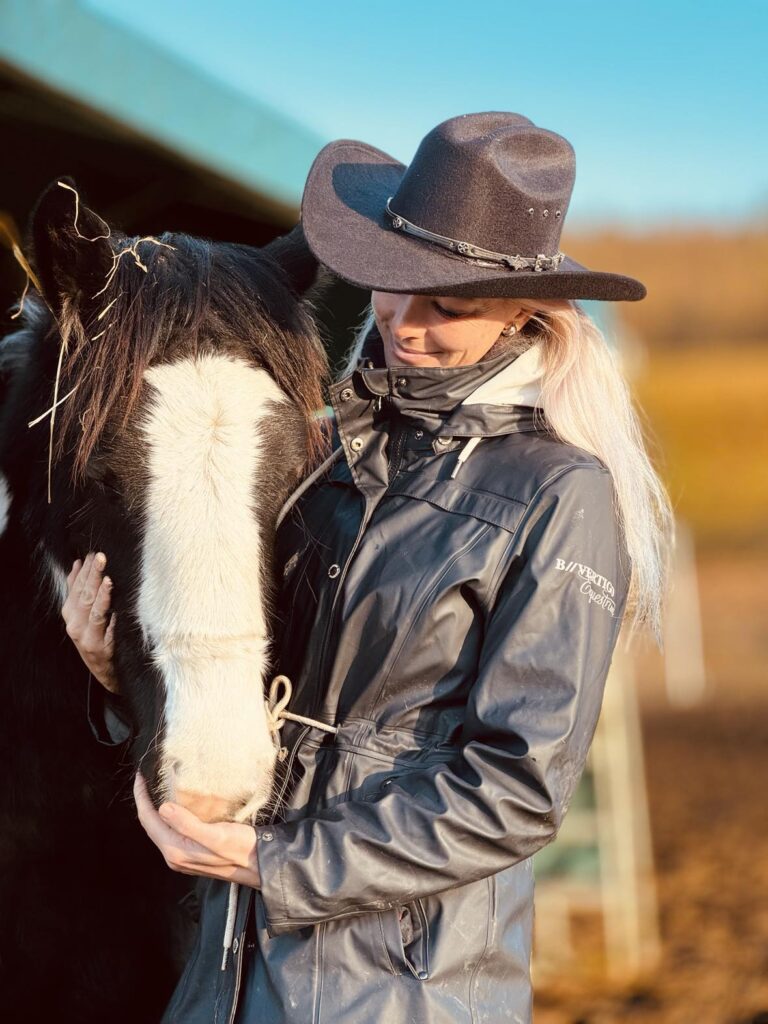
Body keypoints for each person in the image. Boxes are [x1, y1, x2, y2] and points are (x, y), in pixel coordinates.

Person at [63, 112, 673, 1023]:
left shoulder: (559, 495)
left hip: (395, 990)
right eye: (393, 285)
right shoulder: (328, 457)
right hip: (223, 963)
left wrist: (276, 863)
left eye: (449, 305)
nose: (406, 326)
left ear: (523, 311)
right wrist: (115, 677)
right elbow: (260, 684)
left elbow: (515, 789)